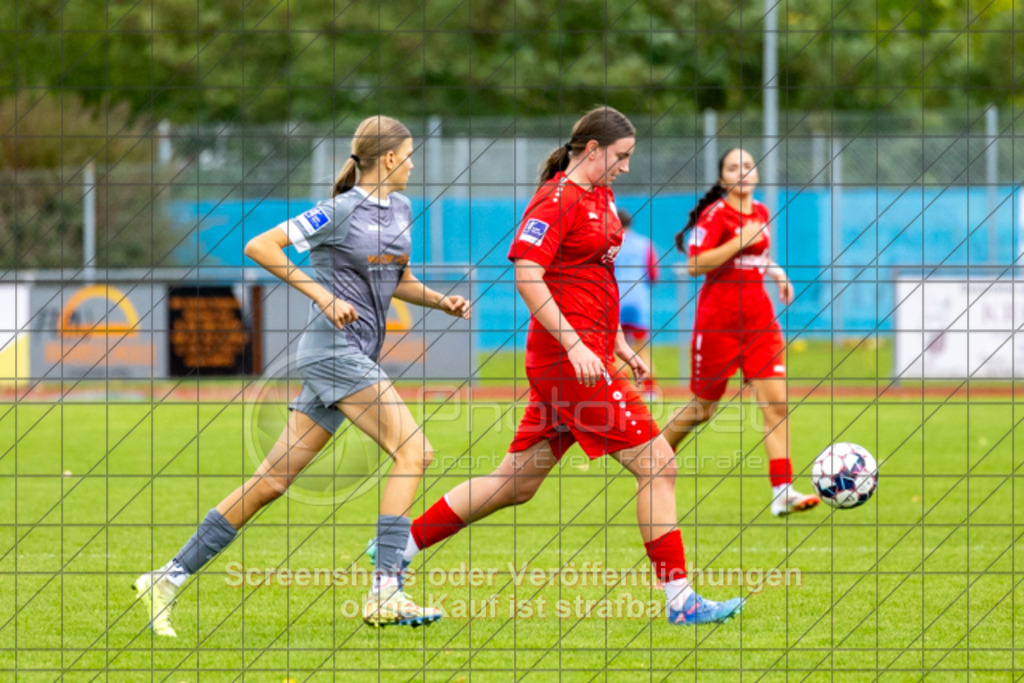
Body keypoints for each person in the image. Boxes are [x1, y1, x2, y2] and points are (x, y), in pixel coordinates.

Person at [369, 107, 745, 625]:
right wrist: (575, 346)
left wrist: (617, 345)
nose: (626, 167)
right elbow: (528, 276)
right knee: (659, 464)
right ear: (592, 150)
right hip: (570, 363)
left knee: (515, 484)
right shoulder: (557, 197)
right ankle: (681, 602)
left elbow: (595, 281)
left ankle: (397, 549)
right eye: (621, 157)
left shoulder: (602, 197)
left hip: (588, 356)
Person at [133, 115, 471, 636]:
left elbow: (397, 277)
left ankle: (169, 576)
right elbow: (260, 246)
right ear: (386, 159)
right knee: (415, 451)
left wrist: (438, 301)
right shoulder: (336, 211)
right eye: (408, 155)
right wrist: (322, 294)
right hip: (333, 352)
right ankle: (385, 589)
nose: (412, 164)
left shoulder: (401, 209)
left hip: (348, 355)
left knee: (270, 482)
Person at [664, 148, 819, 517]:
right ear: (722, 179)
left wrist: (776, 272)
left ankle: (782, 491)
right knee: (702, 409)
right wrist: (740, 241)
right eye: (734, 167)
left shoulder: (762, 212)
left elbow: (756, 257)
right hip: (718, 326)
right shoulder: (716, 215)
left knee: (777, 405)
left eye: (748, 165)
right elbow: (695, 264)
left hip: (759, 323)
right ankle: (650, 457)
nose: (743, 172)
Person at [615, 208, 659, 393]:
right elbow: (653, 274)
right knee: (642, 349)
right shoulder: (645, 244)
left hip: (616, 300)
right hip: (638, 302)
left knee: (616, 348)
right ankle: (649, 390)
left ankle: (623, 390)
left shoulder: (611, 243)